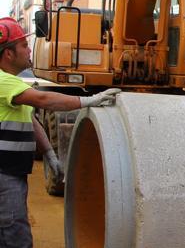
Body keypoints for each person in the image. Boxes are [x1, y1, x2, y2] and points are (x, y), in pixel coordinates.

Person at [0, 17, 119, 248]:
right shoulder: (3, 82)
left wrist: (49, 154)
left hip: (12, 172)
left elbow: (31, 121)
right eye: (23, 45)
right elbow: (44, 99)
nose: (29, 49)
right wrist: (89, 100)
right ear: (8, 54)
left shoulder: (13, 86)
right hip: (4, 174)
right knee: (14, 236)